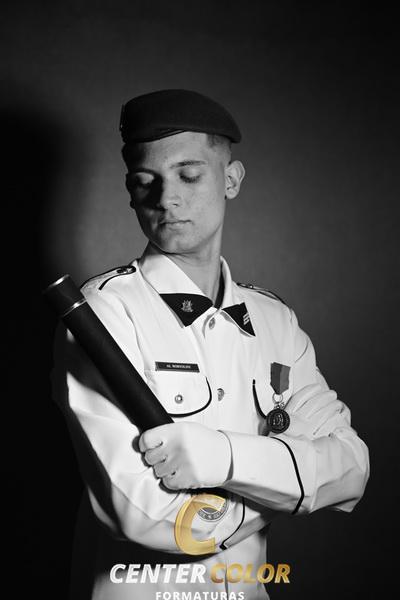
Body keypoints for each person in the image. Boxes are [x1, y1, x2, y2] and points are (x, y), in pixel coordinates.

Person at [52, 89, 369, 600]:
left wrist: (222, 458)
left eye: (189, 175)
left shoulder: (274, 320)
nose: (166, 199)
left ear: (231, 180)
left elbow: (352, 466)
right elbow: (142, 513)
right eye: (145, 181)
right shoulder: (103, 314)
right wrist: (292, 484)